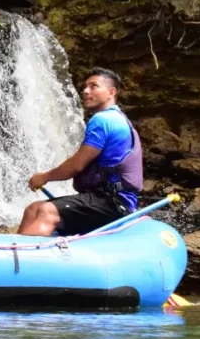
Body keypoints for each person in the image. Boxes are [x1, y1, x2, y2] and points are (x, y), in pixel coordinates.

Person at [18, 68, 142, 236]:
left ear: (111, 92)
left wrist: (45, 177)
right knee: (33, 209)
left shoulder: (103, 120)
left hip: (113, 203)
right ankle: (13, 256)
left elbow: (76, 165)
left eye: (93, 86)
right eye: (85, 87)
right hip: (104, 198)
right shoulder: (118, 118)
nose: (85, 91)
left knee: (47, 211)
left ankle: (25, 259)